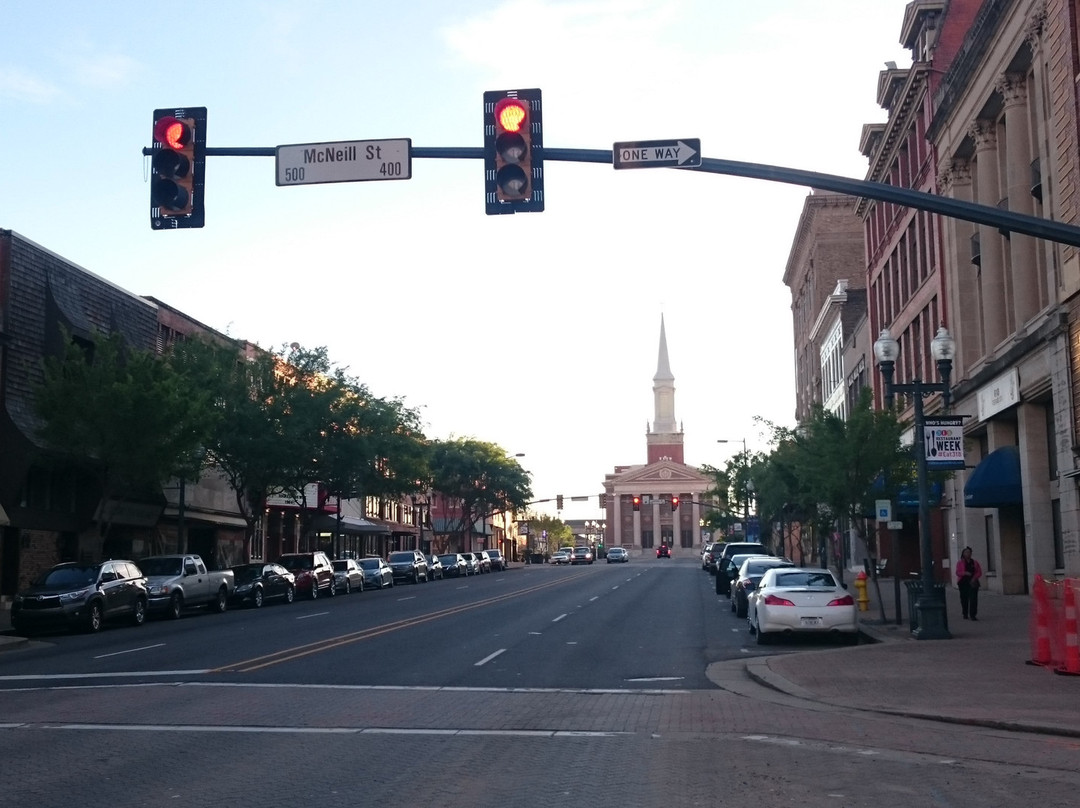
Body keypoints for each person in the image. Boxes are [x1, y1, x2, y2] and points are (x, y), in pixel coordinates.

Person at [955, 546, 983, 620]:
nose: (968, 554)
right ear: (963, 554)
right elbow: (958, 572)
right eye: (966, 552)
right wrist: (965, 573)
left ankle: (973, 614)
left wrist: (974, 578)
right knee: (964, 598)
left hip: (973, 582)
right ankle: (965, 613)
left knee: (973, 598)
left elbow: (979, 572)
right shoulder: (960, 563)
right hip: (963, 582)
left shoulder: (975, 562)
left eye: (969, 552)